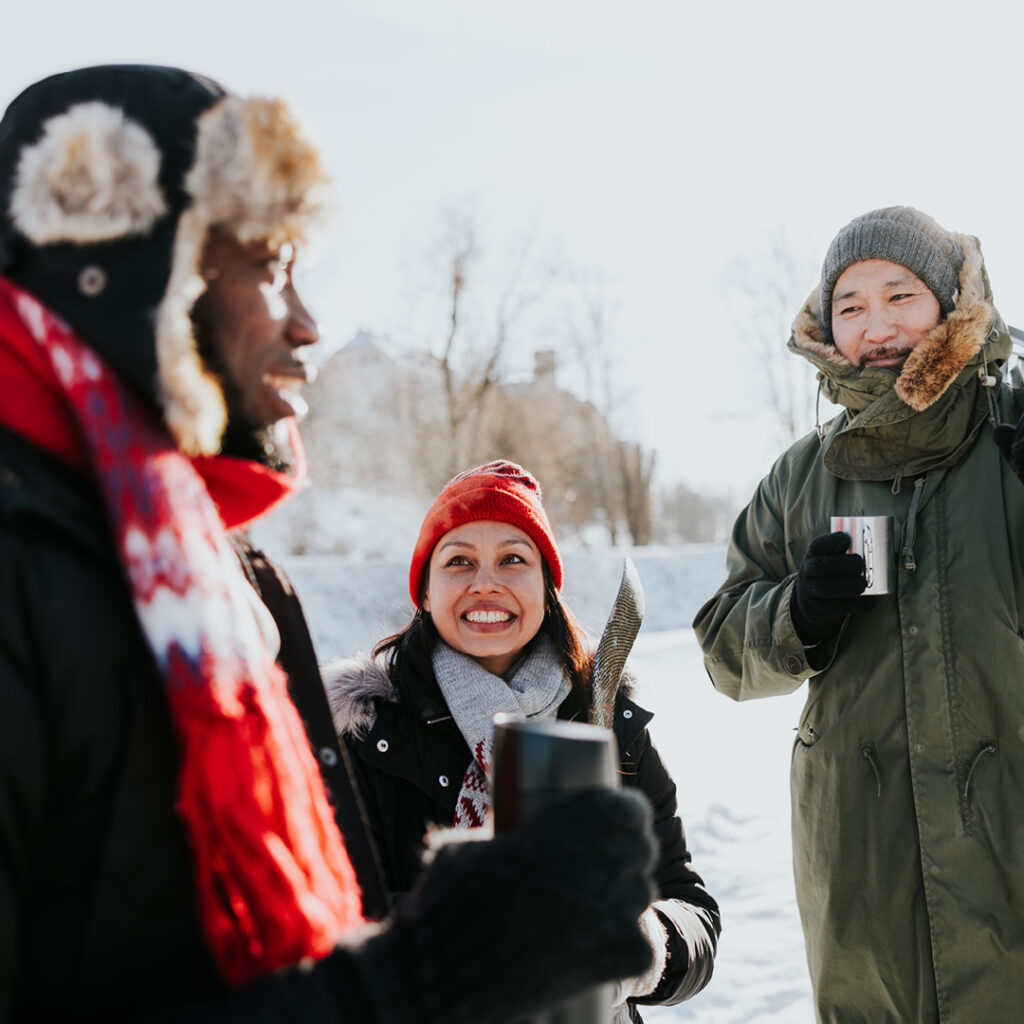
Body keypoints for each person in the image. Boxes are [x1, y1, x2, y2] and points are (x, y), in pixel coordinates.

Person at [0, 65, 660, 1023]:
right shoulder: (23, 573)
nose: (307, 325)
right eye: (270, 264)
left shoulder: (229, 583)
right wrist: (429, 976)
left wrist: (489, 928)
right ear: (129, 264)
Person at [693, 205, 1024, 1023]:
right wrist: (795, 616)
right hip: (860, 853)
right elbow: (721, 646)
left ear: (950, 305)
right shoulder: (803, 476)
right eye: (850, 305)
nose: (876, 325)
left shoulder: (1013, 437)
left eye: (900, 295)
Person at [323, 460, 721, 1022]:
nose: (486, 582)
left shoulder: (607, 720)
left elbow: (689, 903)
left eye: (513, 558)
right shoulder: (363, 734)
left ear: (546, 586)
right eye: (459, 561)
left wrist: (642, 945)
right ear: (426, 592)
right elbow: (321, 921)